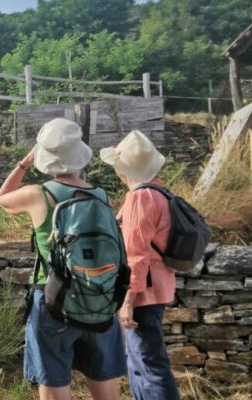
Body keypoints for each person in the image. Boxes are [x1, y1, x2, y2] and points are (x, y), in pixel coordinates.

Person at [0, 118, 126, 400]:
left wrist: (23, 164)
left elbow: (2, 198)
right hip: (99, 298)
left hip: (54, 299)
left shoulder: (38, 194)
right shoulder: (101, 196)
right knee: (105, 389)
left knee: (55, 386)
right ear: (80, 156)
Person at [100, 130, 180, 400]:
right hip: (156, 286)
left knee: (148, 363)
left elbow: (135, 253)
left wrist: (127, 300)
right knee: (140, 362)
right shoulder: (160, 192)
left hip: (142, 292)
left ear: (124, 170)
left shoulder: (140, 197)